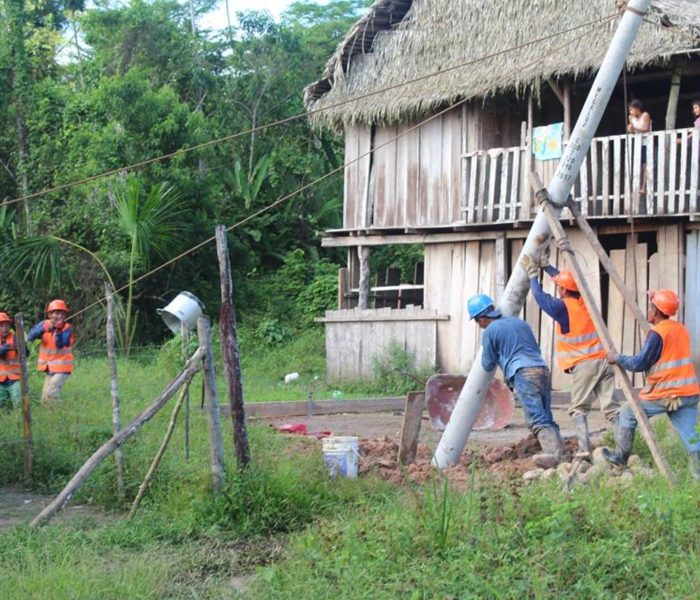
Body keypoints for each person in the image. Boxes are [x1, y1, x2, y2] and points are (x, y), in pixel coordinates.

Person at [520, 255, 620, 456]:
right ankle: (622, 450)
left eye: (560, 288)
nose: (558, 289)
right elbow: (566, 281)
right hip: (605, 360)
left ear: (564, 291)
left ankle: (584, 450)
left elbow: (540, 298)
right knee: (612, 410)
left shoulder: (562, 308)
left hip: (586, 364)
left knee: (578, 409)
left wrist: (533, 275)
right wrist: (547, 267)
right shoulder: (584, 300)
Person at [603, 289, 700, 480]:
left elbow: (639, 363)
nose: (648, 310)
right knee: (691, 437)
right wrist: (654, 297)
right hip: (689, 393)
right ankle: (697, 477)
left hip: (667, 394)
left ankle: (621, 458)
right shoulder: (680, 329)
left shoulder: (657, 334)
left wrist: (617, 357)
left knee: (628, 413)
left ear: (655, 312)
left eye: (651, 307)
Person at [468, 293, 563, 468]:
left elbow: (488, 364)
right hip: (542, 369)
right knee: (546, 415)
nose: (478, 325)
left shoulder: (490, 331)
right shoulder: (520, 323)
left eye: (475, 320)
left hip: (522, 372)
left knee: (537, 418)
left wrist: (497, 353)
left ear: (481, 318)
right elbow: (534, 347)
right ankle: (560, 454)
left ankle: (552, 457)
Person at [28, 299, 74, 404]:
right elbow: (30, 336)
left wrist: (57, 331)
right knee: (44, 399)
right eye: (57, 313)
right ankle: (51, 415)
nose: (60, 316)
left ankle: (60, 413)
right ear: (50, 314)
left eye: (62, 314)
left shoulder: (67, 329)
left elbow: (61, 344)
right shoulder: (44, 324)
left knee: (52, 393)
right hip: (49, 367)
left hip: (63, 367)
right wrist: (43, 330)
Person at [627, 99, 652, 194]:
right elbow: (631, 128)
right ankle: (638, 185)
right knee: (639, 164)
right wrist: (630, 129)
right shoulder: (631, 118)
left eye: (632, 109)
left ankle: (643, 186)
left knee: (645, 165)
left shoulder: (645, 115)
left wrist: (634, 128)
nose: (631, 112)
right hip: (637, 143)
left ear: (638, 109)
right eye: (630, 110)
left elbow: (646, 128)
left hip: (646, 143)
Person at [0, 313, 22, 409]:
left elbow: (26, 354)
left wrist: (22, 346)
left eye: (6, 325)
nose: (4, 328)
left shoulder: (15, 337)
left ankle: (17, 418)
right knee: (2, 405)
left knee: (18, 401)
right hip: (0, 380)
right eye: (1, 326)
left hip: (14, 378)